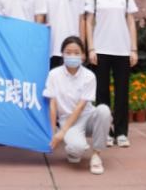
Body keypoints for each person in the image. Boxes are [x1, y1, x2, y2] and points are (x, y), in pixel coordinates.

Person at [85, 0, 138, 148]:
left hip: (122, 50)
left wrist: (133, 49)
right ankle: (106, 131)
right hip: (100, 50)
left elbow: (130, 22)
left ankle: (121, 132)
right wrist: (91, 48)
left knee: (122, 93)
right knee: (101, 93)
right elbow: (88, 22)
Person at [44, 35, 110, 175]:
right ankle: (73, 149)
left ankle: (96, 155)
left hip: (87, 116)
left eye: (76, 53)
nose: (72, 56)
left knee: (104, 110)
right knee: (76, 149)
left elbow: (80, 107)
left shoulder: (89, 76)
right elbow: (52, 104)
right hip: (67, 120)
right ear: (62, 54)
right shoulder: (54, 74)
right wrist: (53, 131)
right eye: (68, 52)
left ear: (83, 56)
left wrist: (62, 132)